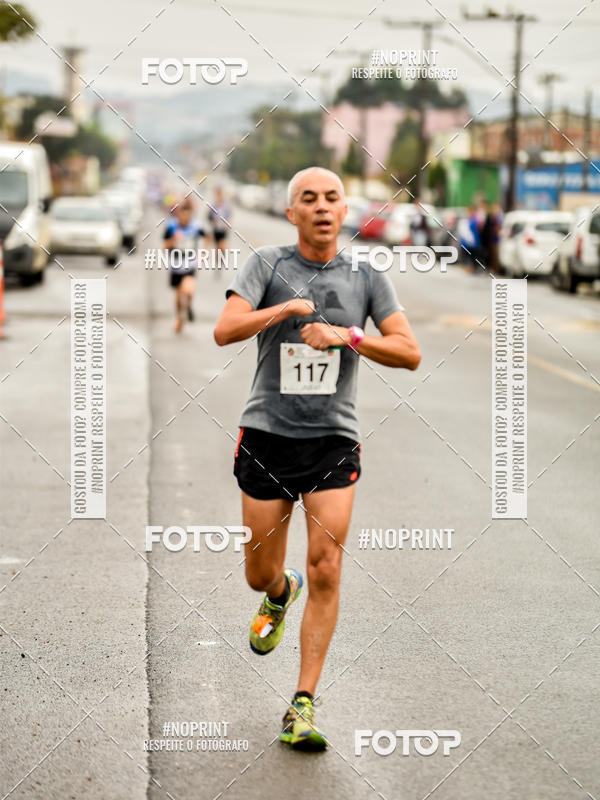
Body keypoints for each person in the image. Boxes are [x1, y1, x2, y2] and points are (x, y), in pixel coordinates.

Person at [214, 167, 421, 751]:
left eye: (332, 198)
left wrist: (348, 336)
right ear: (292, 213)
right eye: (309, 198)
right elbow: (225, 330)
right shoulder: (266, 265)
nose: (323, 207)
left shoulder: (367, 276)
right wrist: (281, 312)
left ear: (344, 210)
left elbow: (409, 352)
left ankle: (302, 703)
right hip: (267, 434)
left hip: (333, 438)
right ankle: (280, 591)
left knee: (327, 564)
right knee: (258, 572)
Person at [163, 199, 205, 333]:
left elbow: (207, 237)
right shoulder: (171, 227)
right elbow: (165, 246)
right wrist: (174, 240)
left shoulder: (195, 227)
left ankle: (189, 306)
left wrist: (203, 253)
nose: (185, 218)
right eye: (182, 215)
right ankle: (180, 318)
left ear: (190, 215)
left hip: (190, 265)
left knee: (189, 290)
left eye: (188, 215)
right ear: (178, 215)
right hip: (176, 267)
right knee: (178, 299)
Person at [207, 187, 232, 268]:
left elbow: (229, 215)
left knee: (223, 247)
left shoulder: (226, 205)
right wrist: (213, 221)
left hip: (223, 229)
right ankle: (218, 263)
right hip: (216, 229)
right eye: (217, 194)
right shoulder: (214, 205)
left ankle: (222, 259)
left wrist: (228, 224)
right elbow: (209, 216)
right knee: (218, 248)